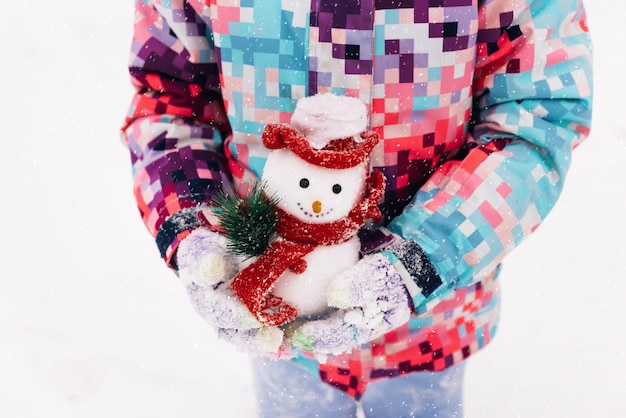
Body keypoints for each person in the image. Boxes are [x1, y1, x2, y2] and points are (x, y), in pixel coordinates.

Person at [121, 0, 593, 417]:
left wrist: (422, 259)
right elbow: (172, 102)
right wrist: (195, 226)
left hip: (432, 326)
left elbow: (534, 117)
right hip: (280, 322)